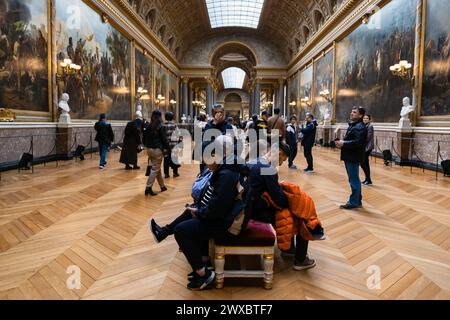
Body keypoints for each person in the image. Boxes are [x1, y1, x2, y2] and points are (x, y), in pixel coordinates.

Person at [155, 136, 244, 290]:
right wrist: (198, 209)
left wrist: (200, 212)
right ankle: (202, 263)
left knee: (181, 231)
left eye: (206, 159)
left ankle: (203, 275)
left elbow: (217, 209)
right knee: (189, 214)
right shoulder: (225, 168)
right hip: (221, 216)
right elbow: (215, 203)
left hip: (225, 224)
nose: (205, 163)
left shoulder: (226, 175)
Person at [247, 141, 316, 271]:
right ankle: (301, 260)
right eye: (282, 160)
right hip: (258, 211)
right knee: (303, 216)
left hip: (250, 206)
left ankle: (289, 247)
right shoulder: (268, 168)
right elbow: (279, 200)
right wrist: (290, 199)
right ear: (278, 153)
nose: (281, 163)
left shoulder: (255, 161)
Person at [335, 107, 368, 209]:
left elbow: (357, 142)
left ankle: (354, 202)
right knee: (354, 179)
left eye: (354, 112)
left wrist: (343, 143)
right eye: (352, 111)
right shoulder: (355, 125)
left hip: (353, 157)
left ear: (360, 115)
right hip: (350, 155)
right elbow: (352, 140)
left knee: (353, 180)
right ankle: (357, 200)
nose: (351, 113)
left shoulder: (360, 127)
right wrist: (342, 142)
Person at [143, 110, 169, 196]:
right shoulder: (160, 126)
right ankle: (148, 188)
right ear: (160, 116)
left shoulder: (148, 126)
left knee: (156, 168)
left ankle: (162, 186)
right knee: (155, 169)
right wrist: (167, 148)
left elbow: (144, 138)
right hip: (157, 150)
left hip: (149, 150)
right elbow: (164, 140)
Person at [163, 111, 181, 178]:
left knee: (166, 159)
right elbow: (178, 134)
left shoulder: (163, 125)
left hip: (166, 145)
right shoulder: (174, 125)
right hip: (174, 144)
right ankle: (175, 173)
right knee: (175, 158)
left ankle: (166, 174)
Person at [361, 114, 374, 185]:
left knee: (363, 163)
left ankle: (368, 179)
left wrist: (360, 141)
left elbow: (368, 137)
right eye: (364, 118)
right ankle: (367, 179)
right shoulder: (365, 126)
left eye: (366, 118)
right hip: (365, 147)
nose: (365, 119)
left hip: (367, 147)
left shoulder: (370, 126)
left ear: (369, 119)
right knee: (365, 163)